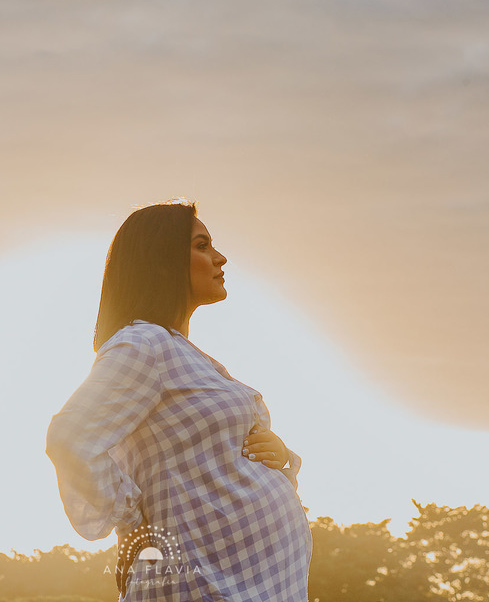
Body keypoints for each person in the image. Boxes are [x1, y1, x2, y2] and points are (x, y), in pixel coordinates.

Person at [45, 200, 312, 601]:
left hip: (250, 586)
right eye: (201, 245)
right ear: (161, 262)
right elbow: (70, 437)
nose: (220, 258)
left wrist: (280, 456)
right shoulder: (143, 344)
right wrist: (133, 526)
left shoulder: (182, 353)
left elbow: (211, 462)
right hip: (204, 587)